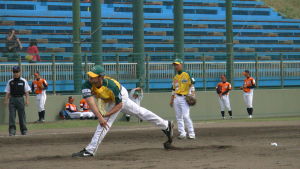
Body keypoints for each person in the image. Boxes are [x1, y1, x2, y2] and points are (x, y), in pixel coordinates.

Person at [72, 65, 173, 157]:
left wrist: (106, 115)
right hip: (107, 98)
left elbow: (119, 104)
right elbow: (91, 102)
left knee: (105, 122)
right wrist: (99, 116)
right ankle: (166, 124)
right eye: (90, 75)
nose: (90, 78)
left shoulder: (112, 86)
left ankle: (90, 150)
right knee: (139, 112)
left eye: (93, 76)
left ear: (101, 77)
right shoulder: (86, 85)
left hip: (120, 96)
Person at [170, 59, 196, 140]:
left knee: (186, 116)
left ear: (181, 64)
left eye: (177, 64)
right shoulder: (175, 77)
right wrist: (171, 100)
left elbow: (192, 85)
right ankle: (182, 133)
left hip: (185, 98)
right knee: (178, 117)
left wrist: (193, 95)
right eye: (175, 65)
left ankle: (191, 133)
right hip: (176, 98)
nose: (176, 66)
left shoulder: (187, 74)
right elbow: (174, 89)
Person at [4, 66, 31, 136]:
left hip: (20, 99)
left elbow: (27, 92)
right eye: (14, 72)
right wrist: (6, 100)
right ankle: (12, 131)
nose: (15, 73)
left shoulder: (23, 81)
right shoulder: (10, 81)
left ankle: (24, 130)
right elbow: (7, 92)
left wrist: (27, 100)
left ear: (20, 72)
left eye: (17, 72)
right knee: (12, 116)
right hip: (12, 100)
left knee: (22, 115)